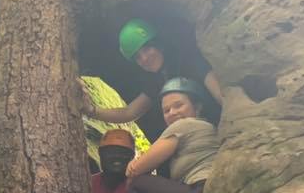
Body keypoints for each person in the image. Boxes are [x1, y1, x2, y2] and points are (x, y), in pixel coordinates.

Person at [81, 19, 223, 139]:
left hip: (218, 128)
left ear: (158, 44)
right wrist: (91, 111)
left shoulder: (188, 61)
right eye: (137, 57)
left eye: (146, 49)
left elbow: (220, 94)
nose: (144, 59)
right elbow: (129, 112)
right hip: (193, 138)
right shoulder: (157, 81)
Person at [91, 129, 136, 193]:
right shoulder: (88, 184)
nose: (117, 156)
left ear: (132, 156)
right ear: (100, 153)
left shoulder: (137, 187)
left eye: (123, 152)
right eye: (111, 152)